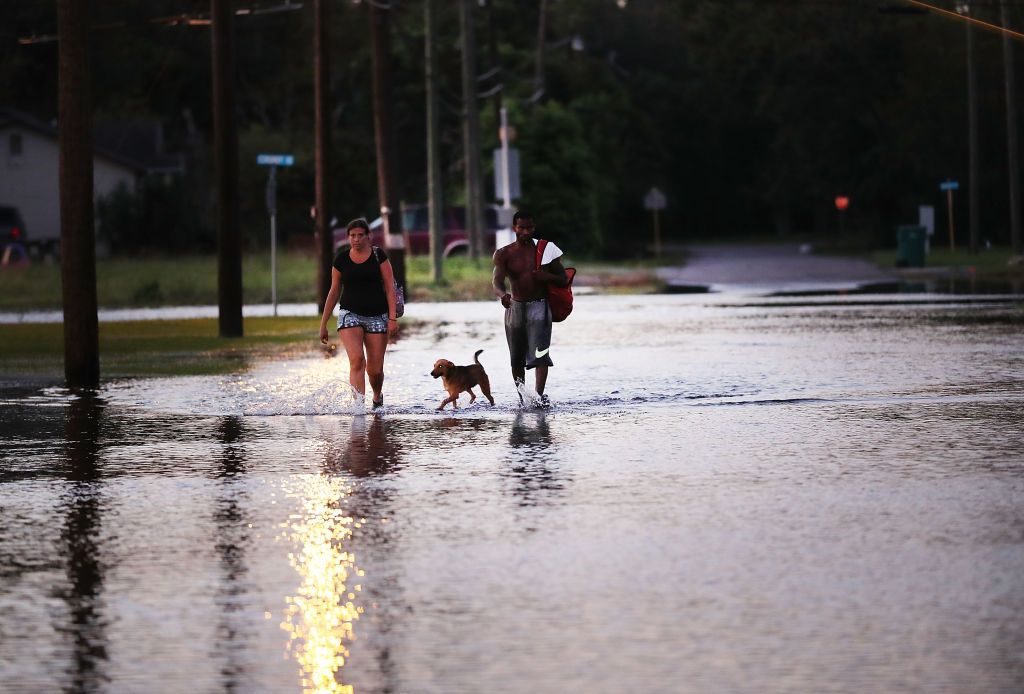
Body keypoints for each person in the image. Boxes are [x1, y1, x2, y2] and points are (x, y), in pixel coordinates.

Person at [319, 218, 399, 408]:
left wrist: (392, 318)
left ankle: (377, 397)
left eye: (360, 235)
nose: (356, 239)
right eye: (352, 236)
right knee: (356, 361)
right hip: (350, 314)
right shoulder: (341, 259)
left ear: (368, 236)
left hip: (377, 315)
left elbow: (390, 288)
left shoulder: (379, 256)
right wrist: (323, 323)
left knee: (375, 370)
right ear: (348, 237)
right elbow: (334, 291)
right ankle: (359, 407)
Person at [492, 210, 568, 405]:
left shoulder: (546, 250)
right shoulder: (504, 254)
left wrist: (547, 276)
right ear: (514, 228)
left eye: (530, 228)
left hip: (540, 307)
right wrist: (503, 295)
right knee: (516, 358)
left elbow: (563, 279)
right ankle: (523, 398)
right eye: (521, 228)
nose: (526, 232)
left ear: (534, 228)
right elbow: (497, 281)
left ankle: (538, 397)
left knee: (541, 355)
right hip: (514, 307)